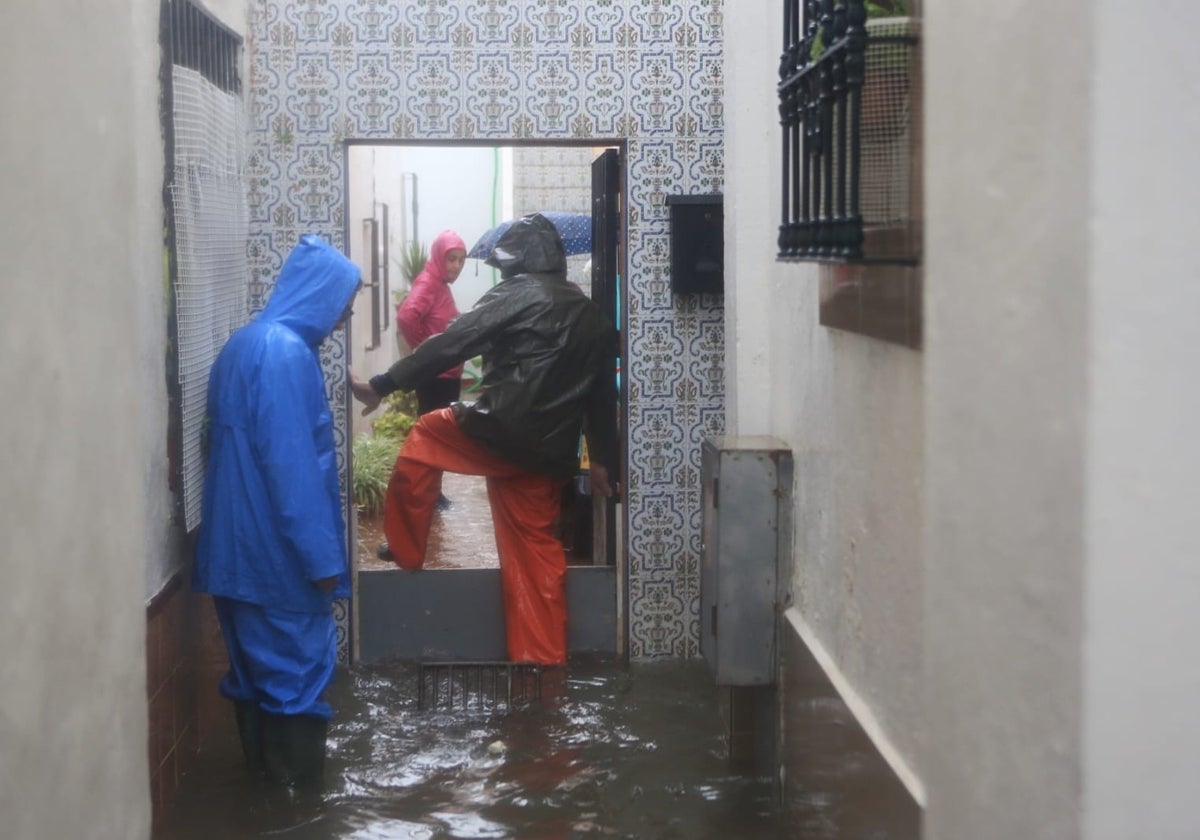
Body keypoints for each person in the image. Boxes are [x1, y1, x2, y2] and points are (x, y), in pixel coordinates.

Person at [350, 213, 617, 666]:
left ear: (515, 262)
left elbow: (449, 343)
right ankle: (542, 670)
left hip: (495, 430)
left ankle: (407, 547)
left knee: (422, 437)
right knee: (536, 558)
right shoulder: (591, 316)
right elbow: (599, 395)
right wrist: (602, 461)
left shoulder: (514, 294)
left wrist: (382, 384)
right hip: (548, 454)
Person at [193, 234, 360, 787]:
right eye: (344, 304)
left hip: (230, 555)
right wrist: (322, 563)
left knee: (252, 678)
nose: (345, 318)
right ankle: (302, 807)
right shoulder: (286, 355)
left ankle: (262, 797)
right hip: (275, 564)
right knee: (297, 682)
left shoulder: (244, 342)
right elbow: (293, 472)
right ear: (320, 295)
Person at [396, 229, 468, 511]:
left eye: (461, 261)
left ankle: (432, 492)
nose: (457, 267)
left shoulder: (439, 285)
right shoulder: (429, 283)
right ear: (440, 257)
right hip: (436, 377)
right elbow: (406, 316)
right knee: (432, 436)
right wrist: (424, 352)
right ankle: (425, 494)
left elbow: (437, 319)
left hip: (444, 375)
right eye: (452, 259)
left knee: (437, 435)